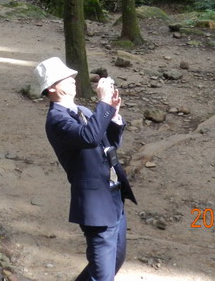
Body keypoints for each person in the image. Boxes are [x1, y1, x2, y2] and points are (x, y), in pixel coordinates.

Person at [34, 57, 137, 281]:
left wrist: (113, 114)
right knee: (102, 275)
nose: (73, 79)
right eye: (66, 78)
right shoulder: (57, 119)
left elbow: (107, 143)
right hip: (95, 207)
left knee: (115, 261)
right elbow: (89, 137)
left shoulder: (82, 110)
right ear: (52, 87)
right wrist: (102, 104)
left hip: (114, 197)